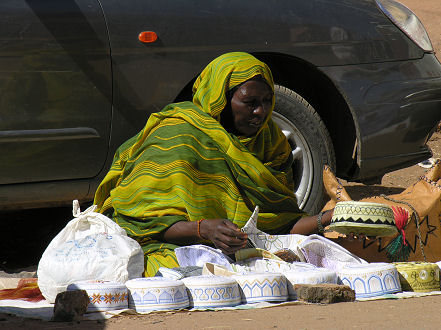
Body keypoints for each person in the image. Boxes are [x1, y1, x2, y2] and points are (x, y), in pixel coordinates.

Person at [93, 52, 334, 277]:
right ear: (220, 99)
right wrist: (203, 230)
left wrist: (329, 219)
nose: (260, 111)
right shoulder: (179, 136)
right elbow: (137, 222)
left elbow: (278, 226)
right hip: (170, 246)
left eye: (267, 100)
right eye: (249, 102)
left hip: (238, 252)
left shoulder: (270, 143)